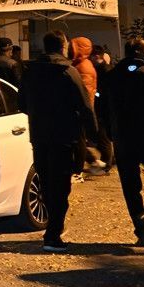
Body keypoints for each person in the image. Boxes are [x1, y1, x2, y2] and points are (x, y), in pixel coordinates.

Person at [17, 30, 97, 253]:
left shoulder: (30, 71)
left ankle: (52, 229)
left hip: (39, 135)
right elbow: (85, 105)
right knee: (61, 186)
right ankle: (53, 234)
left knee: (46, 182)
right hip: (64, 136)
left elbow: (21, 103)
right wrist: (93, 135)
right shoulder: (68, 71)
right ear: (63, 46)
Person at [101, 37, 144, 249]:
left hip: (123, 138)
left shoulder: (111, 76)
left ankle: (142, 229)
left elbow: (101, 108)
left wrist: (110, 132)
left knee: (130, 186)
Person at [69, 36, 106, 175]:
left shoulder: (83, 67)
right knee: (78, 140)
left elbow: (83, 91)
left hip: (79, 110)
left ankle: (80, 170)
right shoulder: (80, 64)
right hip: (81, 109)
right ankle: (92, 162)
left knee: (78, 141)